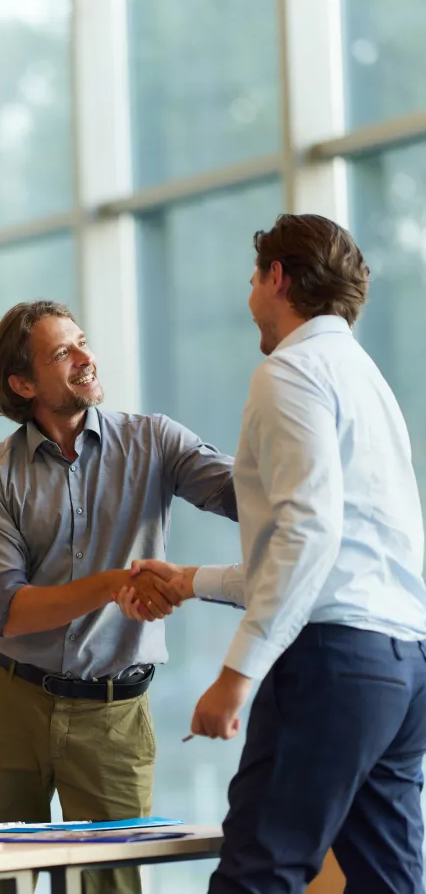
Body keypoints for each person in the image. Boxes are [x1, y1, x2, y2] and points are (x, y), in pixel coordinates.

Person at [116, 214, 426, 894]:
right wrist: (192, 580)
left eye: (255, 277)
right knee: (390, 883)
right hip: (402, 668)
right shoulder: (366, 380)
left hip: (333, 667)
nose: (250, 293)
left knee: (259, 874)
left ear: (278, 279)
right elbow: (327, 551)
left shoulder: (290, 372)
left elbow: (307, 535)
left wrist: (239, 673)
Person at [0, 300, 237, 894]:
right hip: (11, 707)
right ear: (23, 383)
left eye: (82, 342)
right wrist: (114, 584)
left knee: (110, 887)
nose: (86, 358)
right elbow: (11, 607)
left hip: (114, 717)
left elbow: (243, 495)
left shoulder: (154, 441)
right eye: (63, 352)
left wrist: (294, 447)